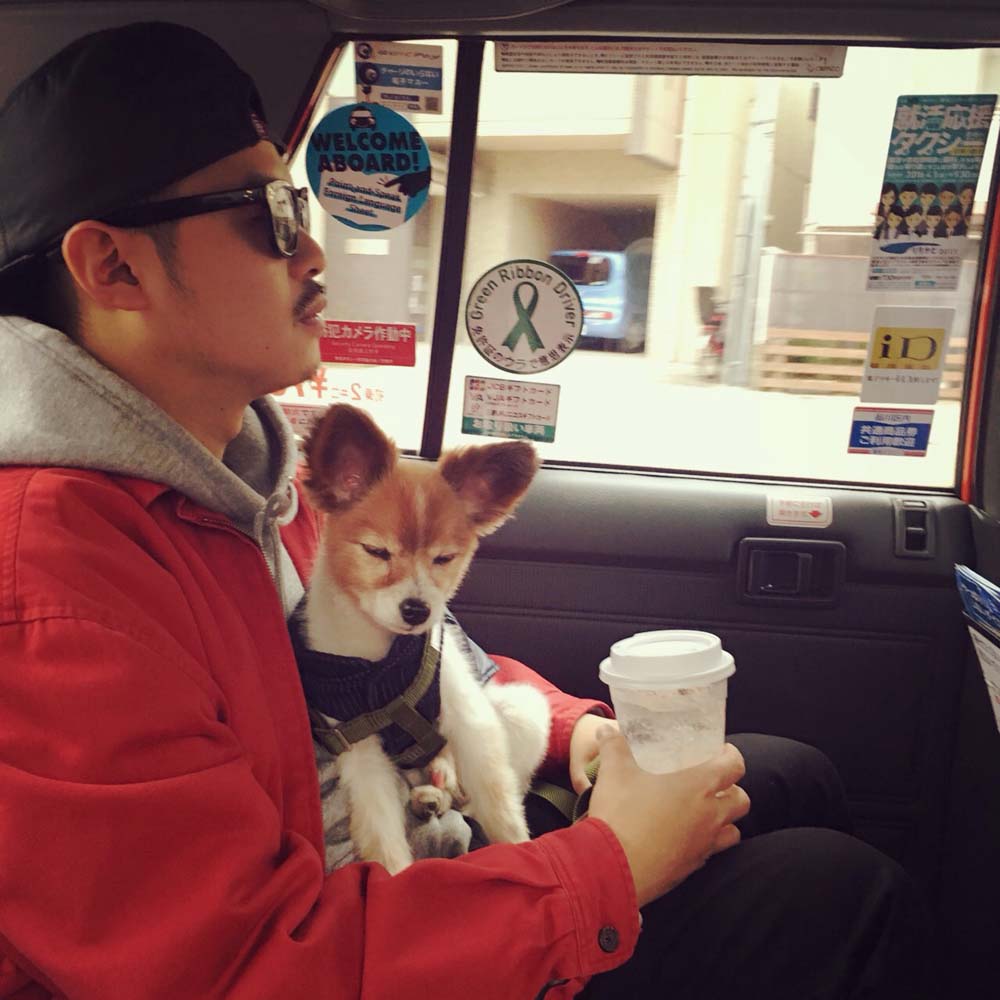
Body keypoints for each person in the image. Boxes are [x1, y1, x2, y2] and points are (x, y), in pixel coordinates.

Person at [0, 22, 934, 1000]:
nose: (312, 251)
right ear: (113, 268)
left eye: (300, 206)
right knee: (842, 890)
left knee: (781, 773)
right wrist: (608, 866)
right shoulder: (50, 586)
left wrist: (573, 735)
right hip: (350, 938)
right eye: (270, 214)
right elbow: (237, 969)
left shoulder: (250, 474)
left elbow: (425, 656)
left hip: (414, 856)